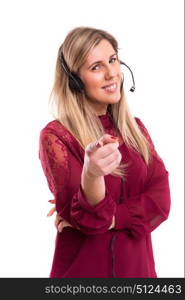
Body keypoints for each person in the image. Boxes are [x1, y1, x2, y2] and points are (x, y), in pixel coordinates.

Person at [38, 26, 171, 278]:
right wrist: (92, 175)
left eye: (112, 60)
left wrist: (114, 218)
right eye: (96, 67)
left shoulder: (136, 129)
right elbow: (91, 221)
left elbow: (161, 201)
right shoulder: (56, 136)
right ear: (75, 80)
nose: (112, 74)